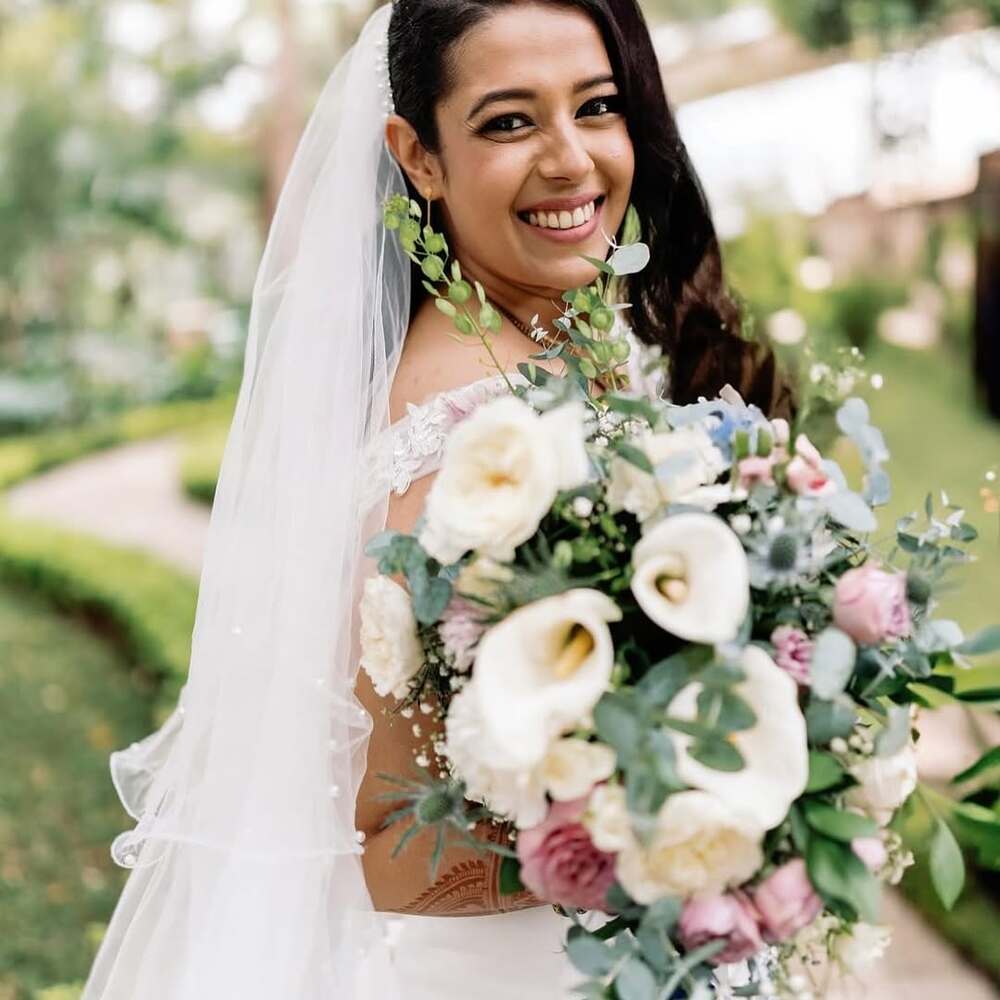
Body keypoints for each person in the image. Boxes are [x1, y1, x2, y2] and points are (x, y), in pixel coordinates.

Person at [81, 1, 791, 998]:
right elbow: (378, 835)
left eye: (596, 106)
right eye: (509, 122)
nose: (572, 161)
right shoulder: (461, 442)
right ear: (418, 157)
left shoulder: (560, 346)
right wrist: (662, 828)